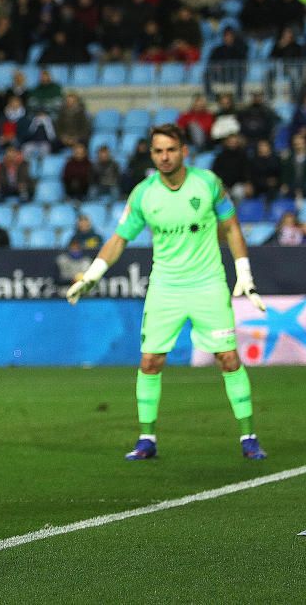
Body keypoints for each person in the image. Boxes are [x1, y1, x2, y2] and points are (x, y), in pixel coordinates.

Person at [66, 124, 269, 461]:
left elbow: (231, 226)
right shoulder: (144, 194)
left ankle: (249, 436)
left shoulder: (208, 184)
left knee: (228, 358)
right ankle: (147, 439)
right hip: (165, 288)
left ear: (183, 151)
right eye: (158, 151)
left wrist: (244, 271)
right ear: (152, 154)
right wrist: (94, 273)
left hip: (208, 284)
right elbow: (119, 238)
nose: (164, 156)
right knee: (149, 362)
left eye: (171, 150)